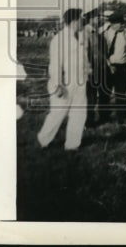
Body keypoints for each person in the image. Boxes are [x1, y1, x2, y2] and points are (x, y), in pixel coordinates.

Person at [38, 9, 90, 150]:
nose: (83, 21)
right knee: (58, 113)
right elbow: (55, 64)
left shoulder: (80, 36)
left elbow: (83, 60)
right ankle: (43, 140)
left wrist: (88, 72)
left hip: (80, 81)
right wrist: (58, 84)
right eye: (81, 19)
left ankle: (72, 145)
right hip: (64, 82)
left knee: (79, 113)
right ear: (73, 21)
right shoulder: (60, 39)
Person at [105, 14, 126, 122]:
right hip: (109, 65)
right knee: (106, 92)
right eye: (114, 23)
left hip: (122, 66)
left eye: (119, 23)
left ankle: (121, 116)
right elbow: (104, 51)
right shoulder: (107, 34)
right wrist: (109, 64)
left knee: (120, 92)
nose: (117, 26)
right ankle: (105, 116)